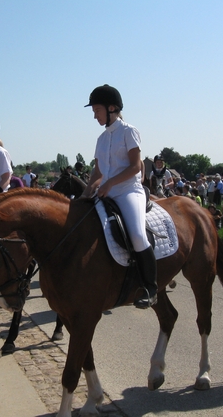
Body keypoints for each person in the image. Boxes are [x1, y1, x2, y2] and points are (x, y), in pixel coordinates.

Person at [80, 84, 157, 309]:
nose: (94, 115)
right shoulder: (101, 139)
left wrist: (111, 183)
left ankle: (151, 288)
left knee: (136, 234)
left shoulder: (128, 131)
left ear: (111, 108)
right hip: (105, 192)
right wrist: (85, 194)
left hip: (128, 191)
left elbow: (135, 167)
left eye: (97, 110)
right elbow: (97, 172)